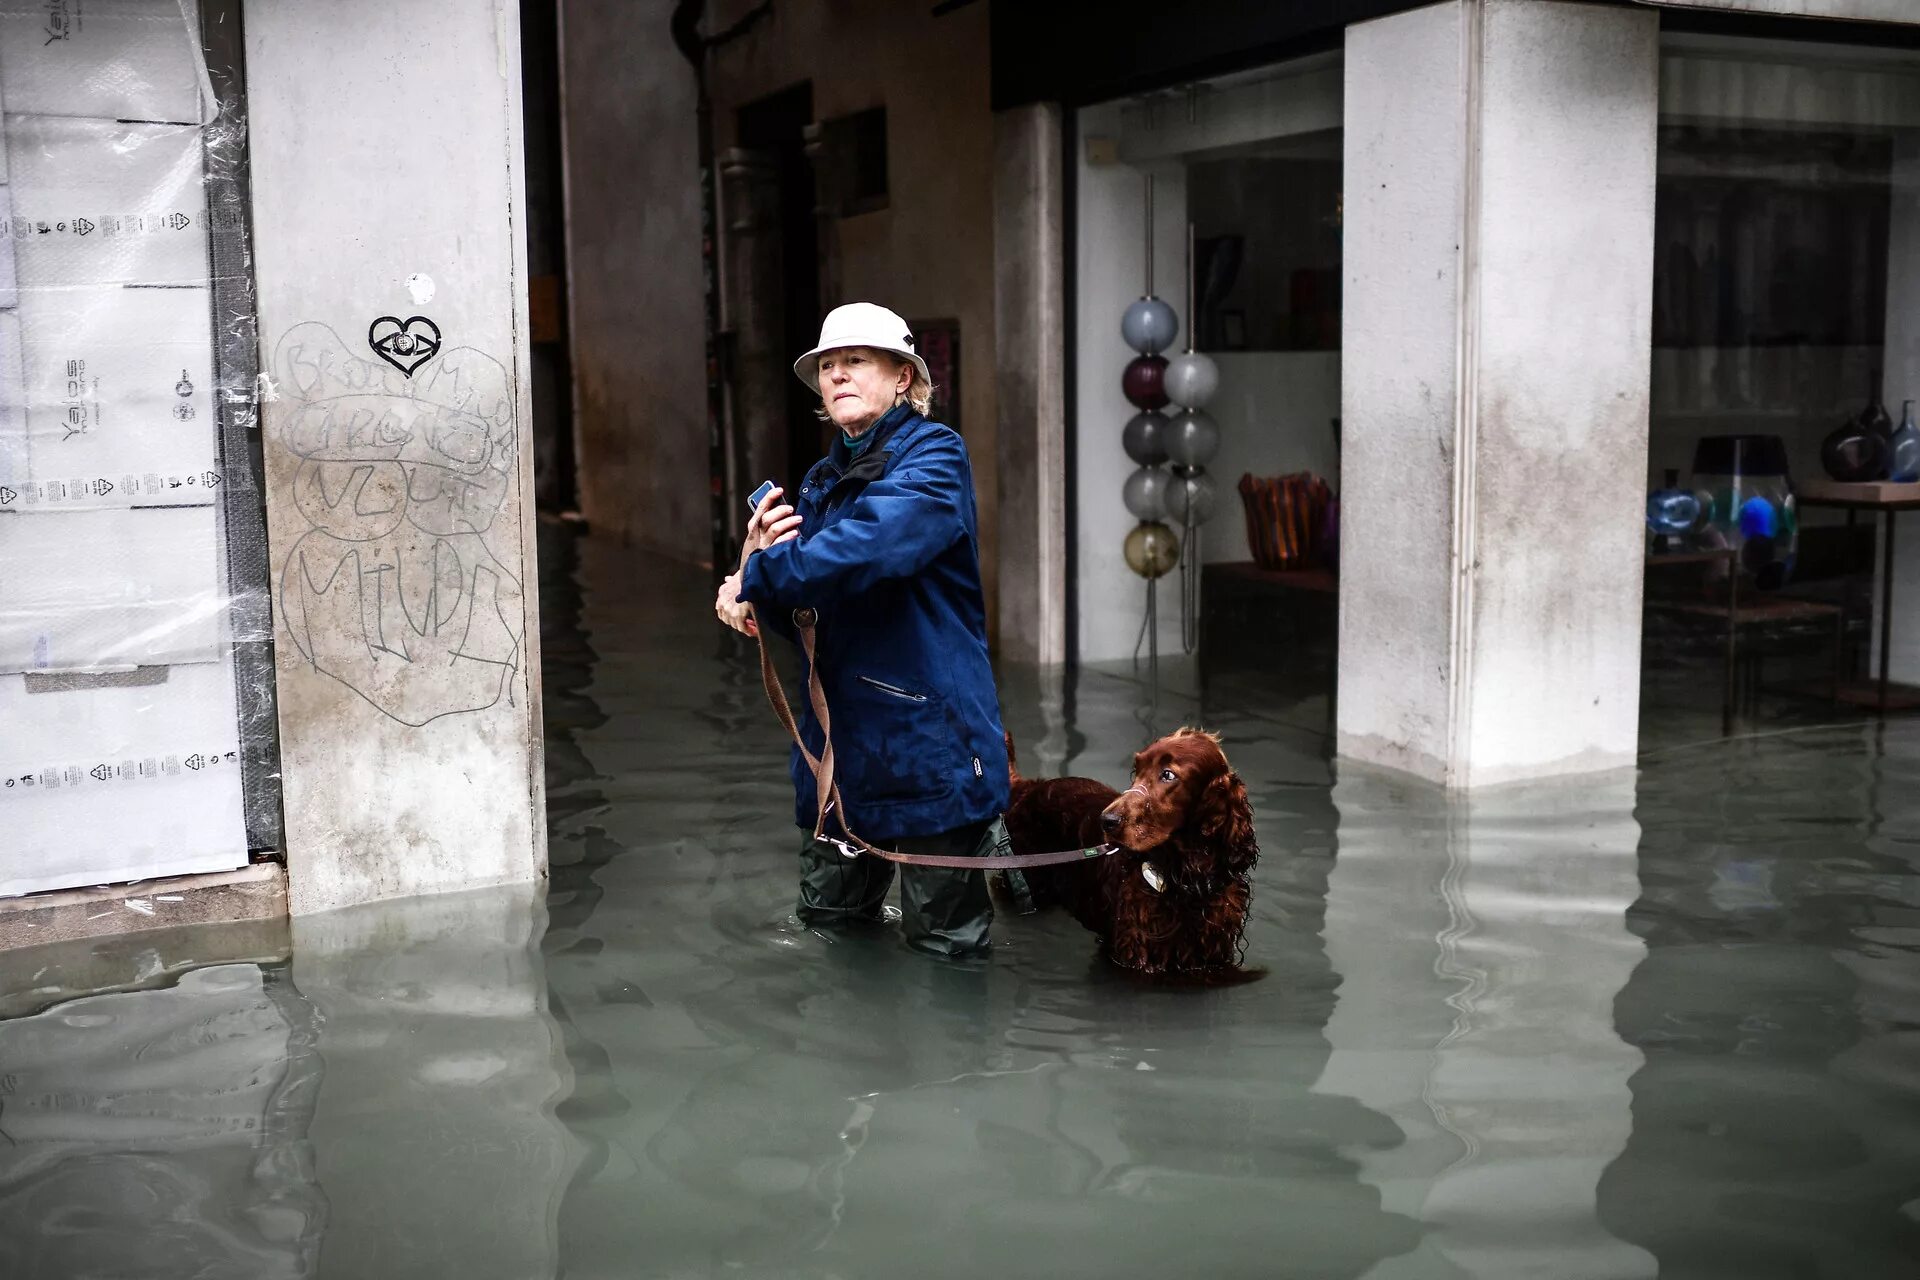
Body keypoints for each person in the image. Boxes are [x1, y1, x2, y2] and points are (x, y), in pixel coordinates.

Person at [715, 302, 1010, 959]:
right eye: (827, 366)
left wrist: (761, 576)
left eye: (855, 361)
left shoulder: (936, 458)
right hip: (839, 759)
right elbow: (813, 610)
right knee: (829, 932)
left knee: (947, 954)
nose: (837, 376)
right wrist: (752, 590)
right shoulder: (821, 482)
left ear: (903, 377)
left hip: (929, 749)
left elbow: (868, 550)